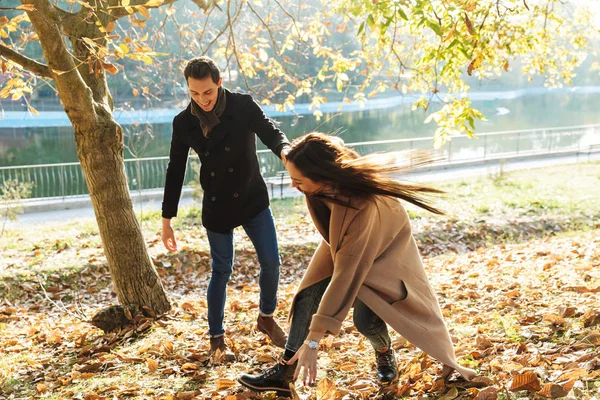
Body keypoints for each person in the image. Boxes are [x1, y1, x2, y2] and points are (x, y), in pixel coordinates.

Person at [238, 132, 477, 396]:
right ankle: (286, 371)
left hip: (381, 259)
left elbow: (345, 277)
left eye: (298, 181)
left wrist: (314, 341)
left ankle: (384, 351)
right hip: (341, 244)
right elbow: (311, 154)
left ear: (323, 178)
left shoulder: (361, 208)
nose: (294, 186)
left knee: (366, 321)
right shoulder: (322, 177)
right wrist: (287, 150)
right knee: (308, 295)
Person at [161, 56, 290, 359]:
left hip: (251, 197)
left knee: (272, 262)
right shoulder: (183, 123)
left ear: (219, 83)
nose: (202, 100)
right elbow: (175, 169)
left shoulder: (242, 105)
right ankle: (217, 339)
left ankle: (267, 318)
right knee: (221, 271)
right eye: (194, 93)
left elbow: (270, 130)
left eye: (207, 92)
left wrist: (285, 150)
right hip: (217, 204)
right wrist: (167, 218)